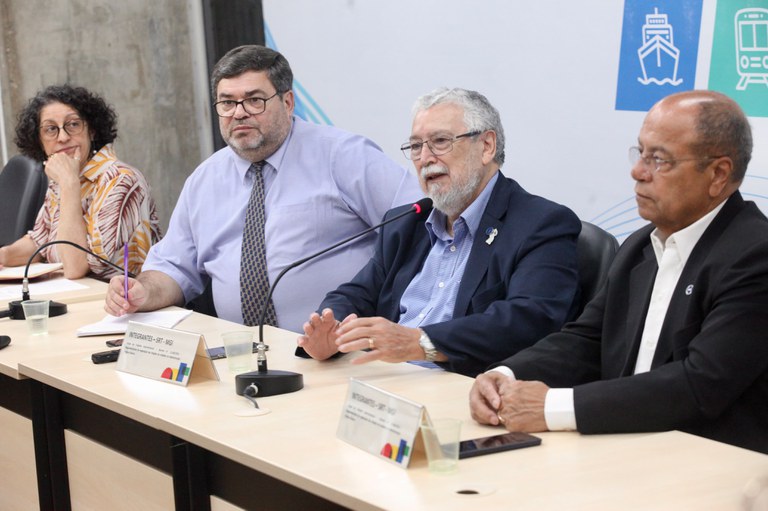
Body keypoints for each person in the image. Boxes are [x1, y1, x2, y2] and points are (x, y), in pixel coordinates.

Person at [469, 90, 768, 454]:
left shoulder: (755, 254)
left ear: (718, 174)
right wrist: (505, 376)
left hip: (709, 461)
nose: (638, 172)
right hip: (623, 442)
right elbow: (585, 340)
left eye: (660, 160)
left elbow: (699, 384)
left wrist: (552, 407)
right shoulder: (640, 246)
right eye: (640, 153)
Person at [104, 45, 421, 332]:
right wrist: (143, 291)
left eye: (254, 100)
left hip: (341, 349)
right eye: (227, 102)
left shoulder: (345, 156)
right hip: (239, 356)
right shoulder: (204, 180)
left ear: (288, 102)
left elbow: (420, 222)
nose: (239, 112)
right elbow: (174, 267)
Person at [297, 87, 581, 377]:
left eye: (440, 142)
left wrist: (421, 342)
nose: (425, 158)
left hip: (467, 389)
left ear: (486, 146)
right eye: (416, 146)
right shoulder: (405, 224)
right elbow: (355, 294)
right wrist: (330, 330)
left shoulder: (540, 224)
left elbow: (527, 320)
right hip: (388, 384)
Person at [0, 85, 161, 279]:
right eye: (51, 129)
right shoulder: (64, 177)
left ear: (91, 130)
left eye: (73, 124)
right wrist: (4, 255)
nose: (63, 137)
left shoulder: (120, 180)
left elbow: (75, 267)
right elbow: (39, 242)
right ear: (40, 140)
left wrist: (69, 185)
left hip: (124, 302)